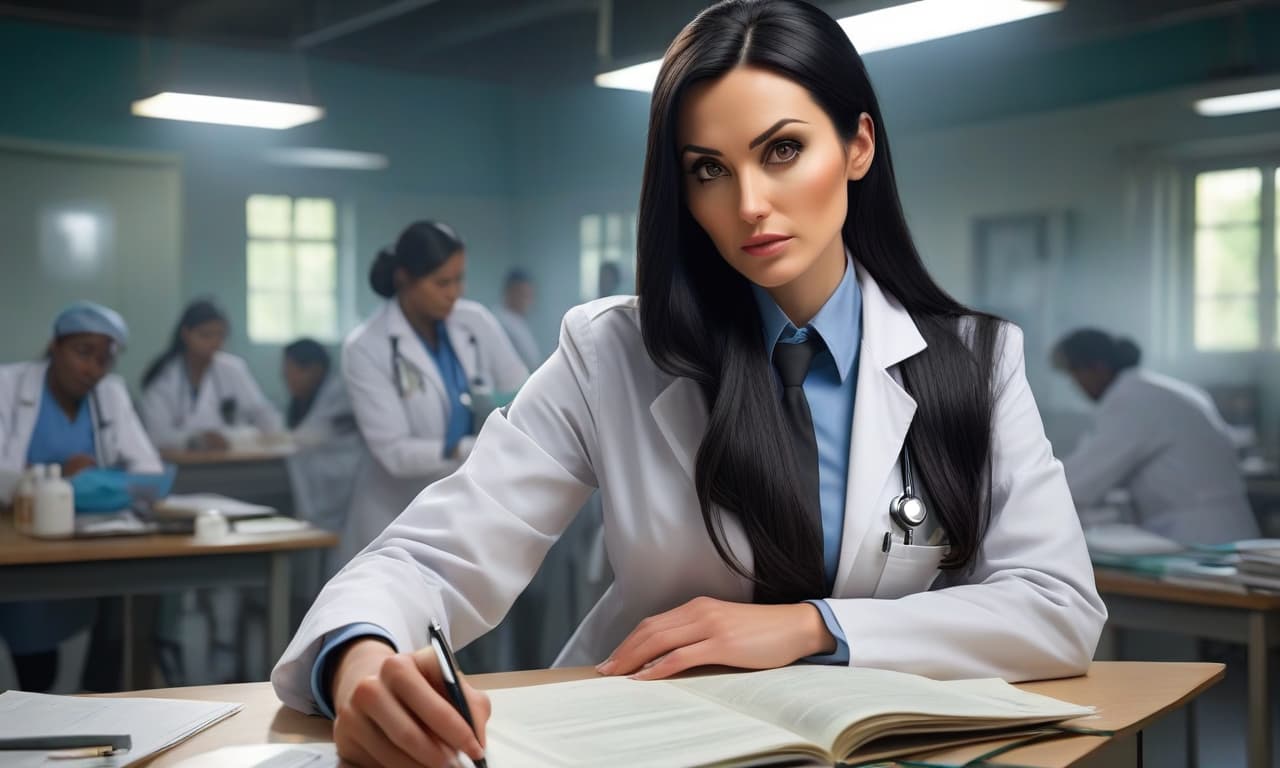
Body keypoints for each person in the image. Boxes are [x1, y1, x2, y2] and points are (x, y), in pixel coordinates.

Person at [272, 3, 1106, 766]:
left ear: (856, 146)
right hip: (655, 743)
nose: (749, 203)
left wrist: (811, 627)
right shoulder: (614, 353)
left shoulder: (975, 359)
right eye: (708, 169)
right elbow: (437, 555)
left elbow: (1056, 607)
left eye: (783, 150)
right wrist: (359, 660)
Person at [333, 220, 528, 566]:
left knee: (475, 612)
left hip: (469, 508)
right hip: (397, 517)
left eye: (459, 279)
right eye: (441, 282)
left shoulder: (474, 322)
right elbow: (394, 453)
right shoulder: (366, 346)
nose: (454, 292)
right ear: (404, 279)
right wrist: (472, 449)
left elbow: (522, 392)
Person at [0, 302, 161, 692]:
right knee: (34, 659)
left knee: (135, 598)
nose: (93, 369)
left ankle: (107, 696)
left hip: (90, 541)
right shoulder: (9, 385)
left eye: (105, 359)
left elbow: (149, 472)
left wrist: (99, 479)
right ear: (56, 346)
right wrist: (55, 476)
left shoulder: (110, 393)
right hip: (22, 544)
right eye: (83, 352)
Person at [1051, 328, 1259, 545]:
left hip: (1196, 534)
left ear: (1097, 367)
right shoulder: (1165, 389)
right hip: (1231, 527)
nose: (1076, 386)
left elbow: (1080, 482)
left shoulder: (1131, 400)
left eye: (1075, 374)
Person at [139, 299, 283, 452]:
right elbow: (158, 436)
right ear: (186, 334)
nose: (214, 342)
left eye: (220, 335)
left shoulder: (233, 369)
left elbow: (265, 415)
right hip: (181, 466)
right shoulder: (164, 377)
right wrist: (197, 440)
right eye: (205, 335)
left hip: (232, 461)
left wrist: (264, 435)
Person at [281, 339, 364, 579]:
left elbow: (311, 437)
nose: (287, 379)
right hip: (328, 484)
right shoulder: (307, 399)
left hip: (345, 479)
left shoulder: (339, 393)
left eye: (291, 371)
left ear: (314, 370)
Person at [491, 269, 543, 370]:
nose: (529, 301)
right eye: (524, 294)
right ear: (510, 292)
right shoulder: (500, 321)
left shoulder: (517, 320)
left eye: (530, 295)